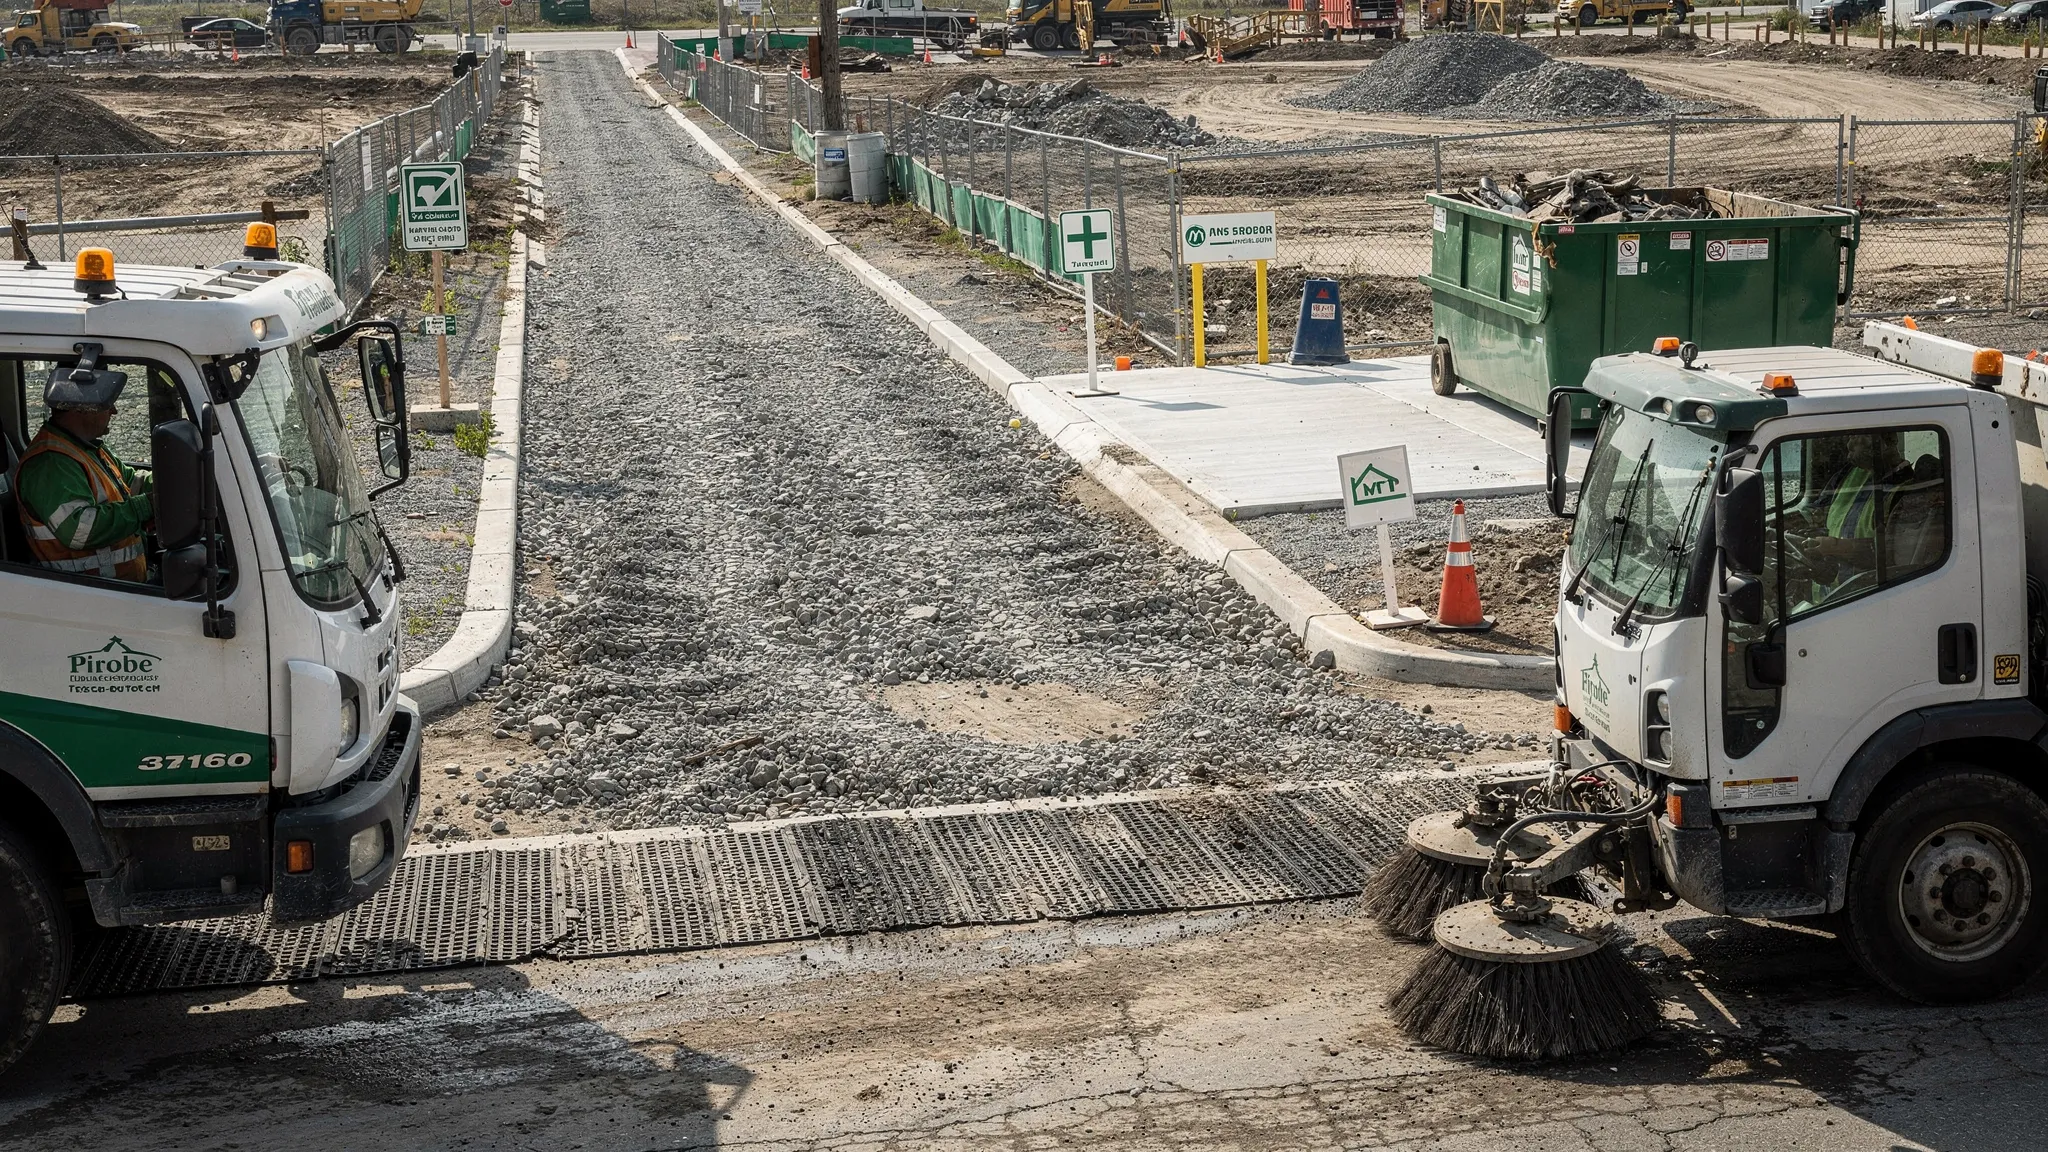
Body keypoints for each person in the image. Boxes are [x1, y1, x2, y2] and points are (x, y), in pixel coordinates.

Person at [12, 362, 153, 582]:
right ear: (81, 406)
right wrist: (148, 506)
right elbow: (79, 531)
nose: (114, 410)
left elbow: (131, 484)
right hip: (87, 596)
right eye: (107, 402)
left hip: (117, 590)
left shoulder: (87, 449)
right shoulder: (50, 463)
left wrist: (175, 481)